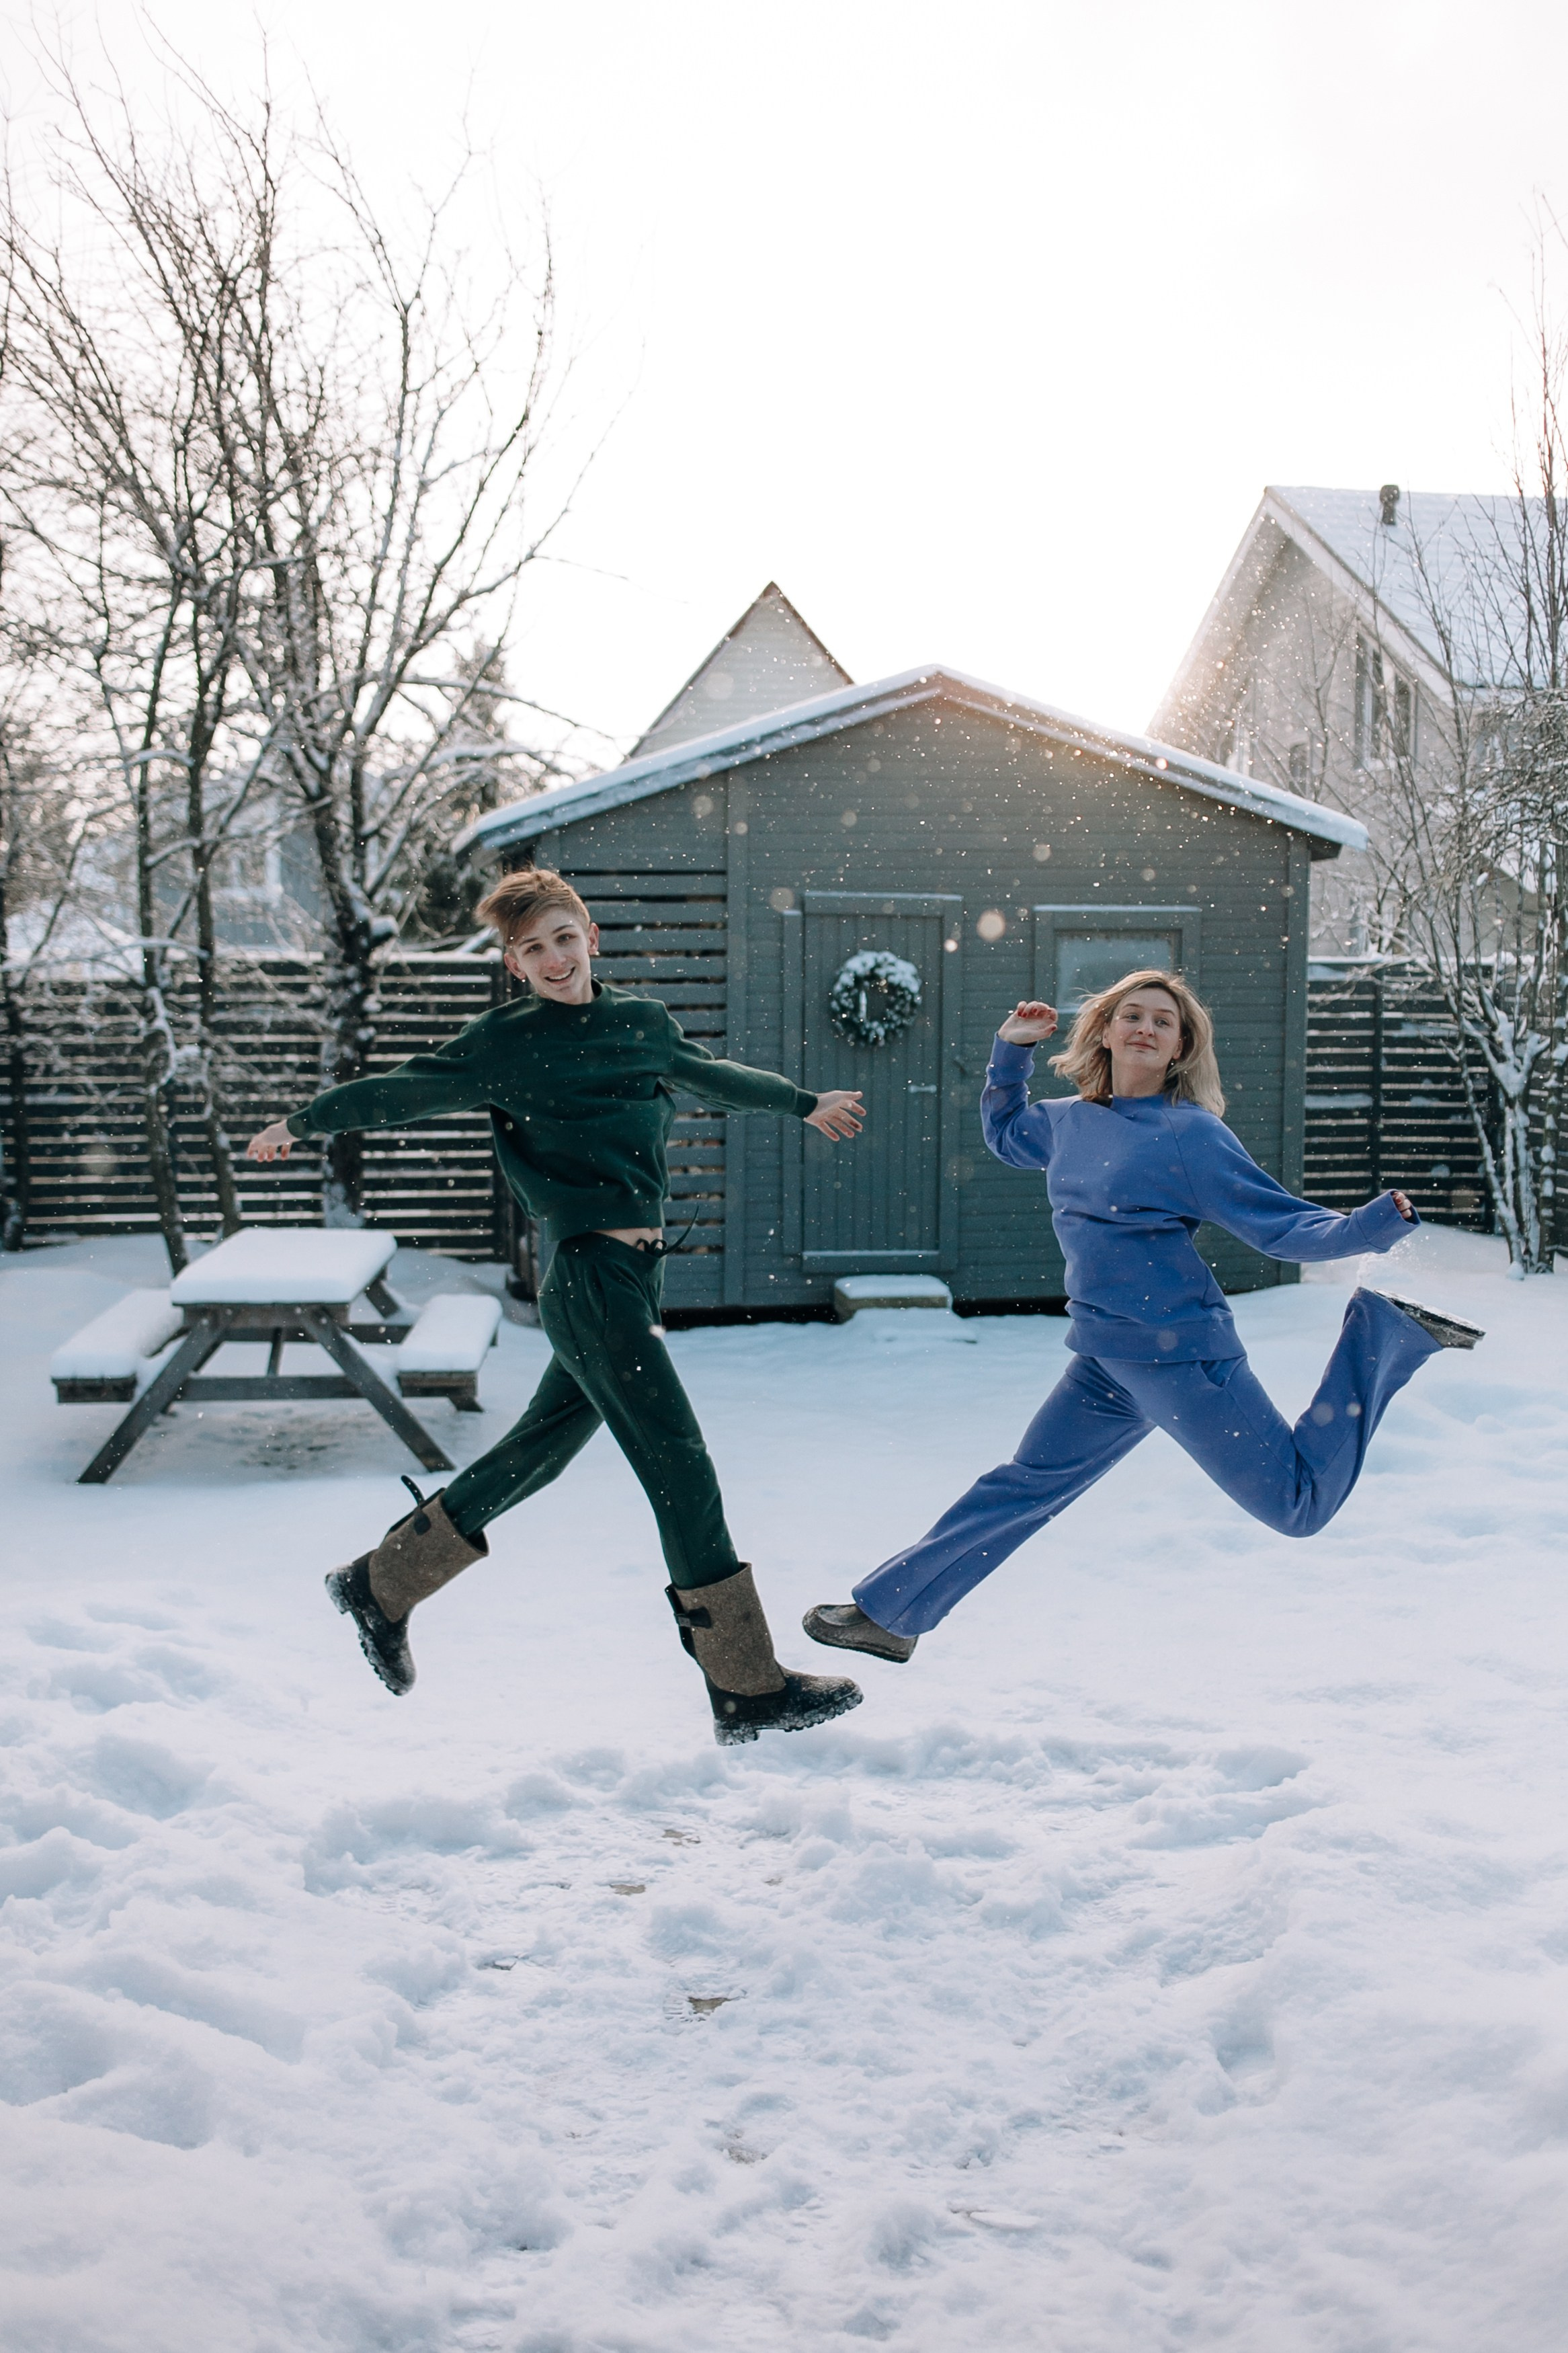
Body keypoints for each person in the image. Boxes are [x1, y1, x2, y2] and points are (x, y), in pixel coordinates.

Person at [247, 866, 867, 1746]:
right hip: (588, 1279)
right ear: (513, 962)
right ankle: (745, 1684)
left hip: (633, 1282)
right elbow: (404, 1089)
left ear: (590, 937)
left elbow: (708, 1073)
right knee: (678, 1464)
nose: (551, 957)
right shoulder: (504, 1043)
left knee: (538, 1455)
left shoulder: (641, 1023)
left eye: (563, 937)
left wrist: (803, 1103)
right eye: (531, 947)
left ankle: (381, 1584)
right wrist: (303, 1123)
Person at [804, 971, 1483, 1664]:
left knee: (1298, 1506)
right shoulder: (1066, 1120)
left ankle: (1386, 1333)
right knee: (1021, 1485)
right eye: (1131, 1014)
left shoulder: (1189, 1134)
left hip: (1179, 1354)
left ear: (1180, 1046)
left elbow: (1277, 1226)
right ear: (1103, 1029)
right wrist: (1009, 1051)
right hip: (1105, 1355)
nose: (1145, 1027)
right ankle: (890, 1613)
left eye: (1163, 1021)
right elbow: (1007, 1134)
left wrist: (1369, 1225)